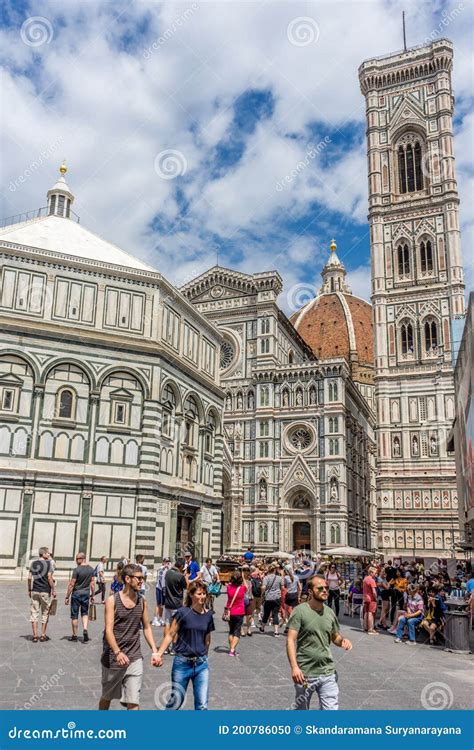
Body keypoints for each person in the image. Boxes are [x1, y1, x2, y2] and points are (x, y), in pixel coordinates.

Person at [99, 563, 160, 710]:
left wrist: (154, 650)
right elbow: (108, 630)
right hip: (113, 657)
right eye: (138, 578)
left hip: (134, 656)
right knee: (106, 697)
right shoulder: (112, 601)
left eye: (143, 578)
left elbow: (146, 627)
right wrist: (117, 652)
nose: (141, 581)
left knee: (134, 702)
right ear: (127, 579)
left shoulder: (142, 601)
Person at [286, 575, 352, 710]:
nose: (325, 590)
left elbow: (335, 637)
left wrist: (343, 640)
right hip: (305, 674)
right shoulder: (300, 611)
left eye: (326, 588)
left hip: (327, 671)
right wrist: (294, 667)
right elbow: (290, 640)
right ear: (310, 591)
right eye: (320, 588)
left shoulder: (329, 612)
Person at [156, 581, 215, 710]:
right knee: (176, 700)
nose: (203, 596)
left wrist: (204, 657)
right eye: (199, 594)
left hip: (201, 664)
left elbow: (207, 639)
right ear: (191, 595)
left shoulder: (209, 615)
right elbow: (170, 634)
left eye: (204, 593)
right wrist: (159, 653)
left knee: (202, 704)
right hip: (182, 663)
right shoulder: (182, 612)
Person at [65, 552, 95, 642]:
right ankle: (85, 629)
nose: (76, 560)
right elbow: (92, 584)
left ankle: (74, 635)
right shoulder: (91, 569)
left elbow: (72, 584)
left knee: (74, 615)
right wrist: (92, 595)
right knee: (84, 613)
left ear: (82, 559)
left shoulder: (76, 570)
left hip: (76, 594)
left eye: (77, 558)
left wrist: (67, 596)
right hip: (86, 594)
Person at [28, 547, 56, 643]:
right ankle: (43, 635)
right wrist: (53, 589)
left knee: (34, 613)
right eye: (48, 553)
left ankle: (35, 636)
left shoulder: (33, 563)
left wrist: (29, 589)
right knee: (45, 613)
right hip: (45, 591)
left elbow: (29, 578)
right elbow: (49, 578)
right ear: (43, 554)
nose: (49, 555)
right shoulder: (48, 564)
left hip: (35, 590)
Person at [164, 558, 187, 654]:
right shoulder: (180, 576)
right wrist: (185, 576)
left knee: (167, 625)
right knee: (176, 627)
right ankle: (173, 648)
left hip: (167, 603)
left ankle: (165, 648)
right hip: (176, 604)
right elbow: (186, 586)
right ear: (181, 566)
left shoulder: (168, 573)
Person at [225, 570, 246, 656]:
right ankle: (232, 650)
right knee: (237, 631)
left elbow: (228, 583)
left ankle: (231, 649)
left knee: (231, 631)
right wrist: (243, 577)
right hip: (239, 612)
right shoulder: (242, 588)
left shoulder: (229, 587)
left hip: (230, 612)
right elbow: (246, 586)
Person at [259, 564, 283, 637]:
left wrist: (262, 593)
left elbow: (263, 587)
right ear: (275, 570)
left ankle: (262, 628)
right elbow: (282, 587)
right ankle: (276, 631)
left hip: (268, 597)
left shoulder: (266, 578)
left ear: (268, 570)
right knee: (275, 614)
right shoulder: (279, 578)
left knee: (266, 613)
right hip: (277, 597)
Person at [153, 558, 171, 626]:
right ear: (163, 562)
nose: (167, 563)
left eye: (168, 562)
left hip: (164, 588)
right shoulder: (161, 568)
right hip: (159, 588)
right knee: (158, 604)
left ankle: (160, 618)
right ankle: (155, 619)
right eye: (165, 561)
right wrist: (164, 566)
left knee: (162, 605)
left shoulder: (167, 569)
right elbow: (159, 570)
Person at [362, 566, 378, 635]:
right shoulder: (372, 580)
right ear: (371, 572)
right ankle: (370, 629)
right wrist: (376, 598)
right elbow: (374, 591)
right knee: (370, 613)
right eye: (375, 573)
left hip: (365, 597)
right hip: (371, 598)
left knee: (366, 612)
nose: (376, 574)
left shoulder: (365, 579)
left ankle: (365, 627)